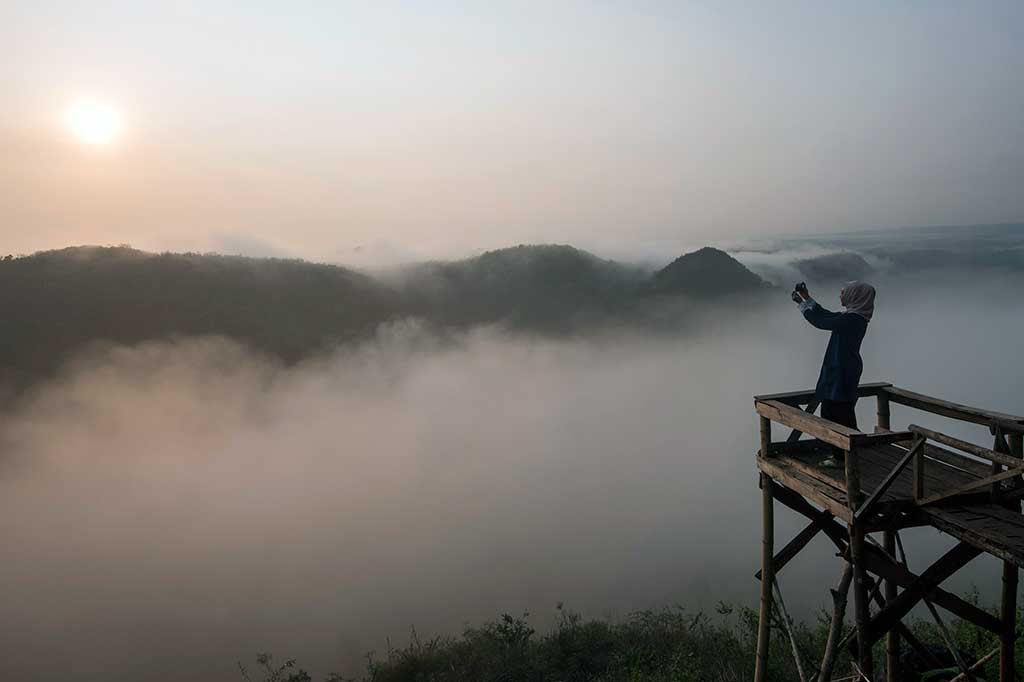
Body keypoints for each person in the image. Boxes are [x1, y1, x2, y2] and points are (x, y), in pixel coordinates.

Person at [791, 280, 876, 466]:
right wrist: (806, 299)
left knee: (834, 414)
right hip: (843, 370)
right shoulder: (854, 317)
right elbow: (828, 315)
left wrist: (802, 306)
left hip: (842, 371)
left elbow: (821, 321)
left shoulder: (851, 319)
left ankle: (843, 457)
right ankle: (848, 453)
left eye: (844, 292)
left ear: (856, 295)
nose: (841, 295)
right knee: (842, 413)